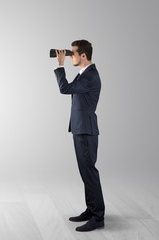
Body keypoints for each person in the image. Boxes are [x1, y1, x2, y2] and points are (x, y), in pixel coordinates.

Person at [54, 39, 105, 232]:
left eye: (72, 54)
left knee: (90, 173)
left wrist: (60, 65)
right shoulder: (83, 74)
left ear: (83, 55)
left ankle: (98, 217)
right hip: (80, 129)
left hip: (86, 131)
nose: (70, 57)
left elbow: (64, 89)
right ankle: (91, 210)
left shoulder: (90, 76)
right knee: (86, 173)